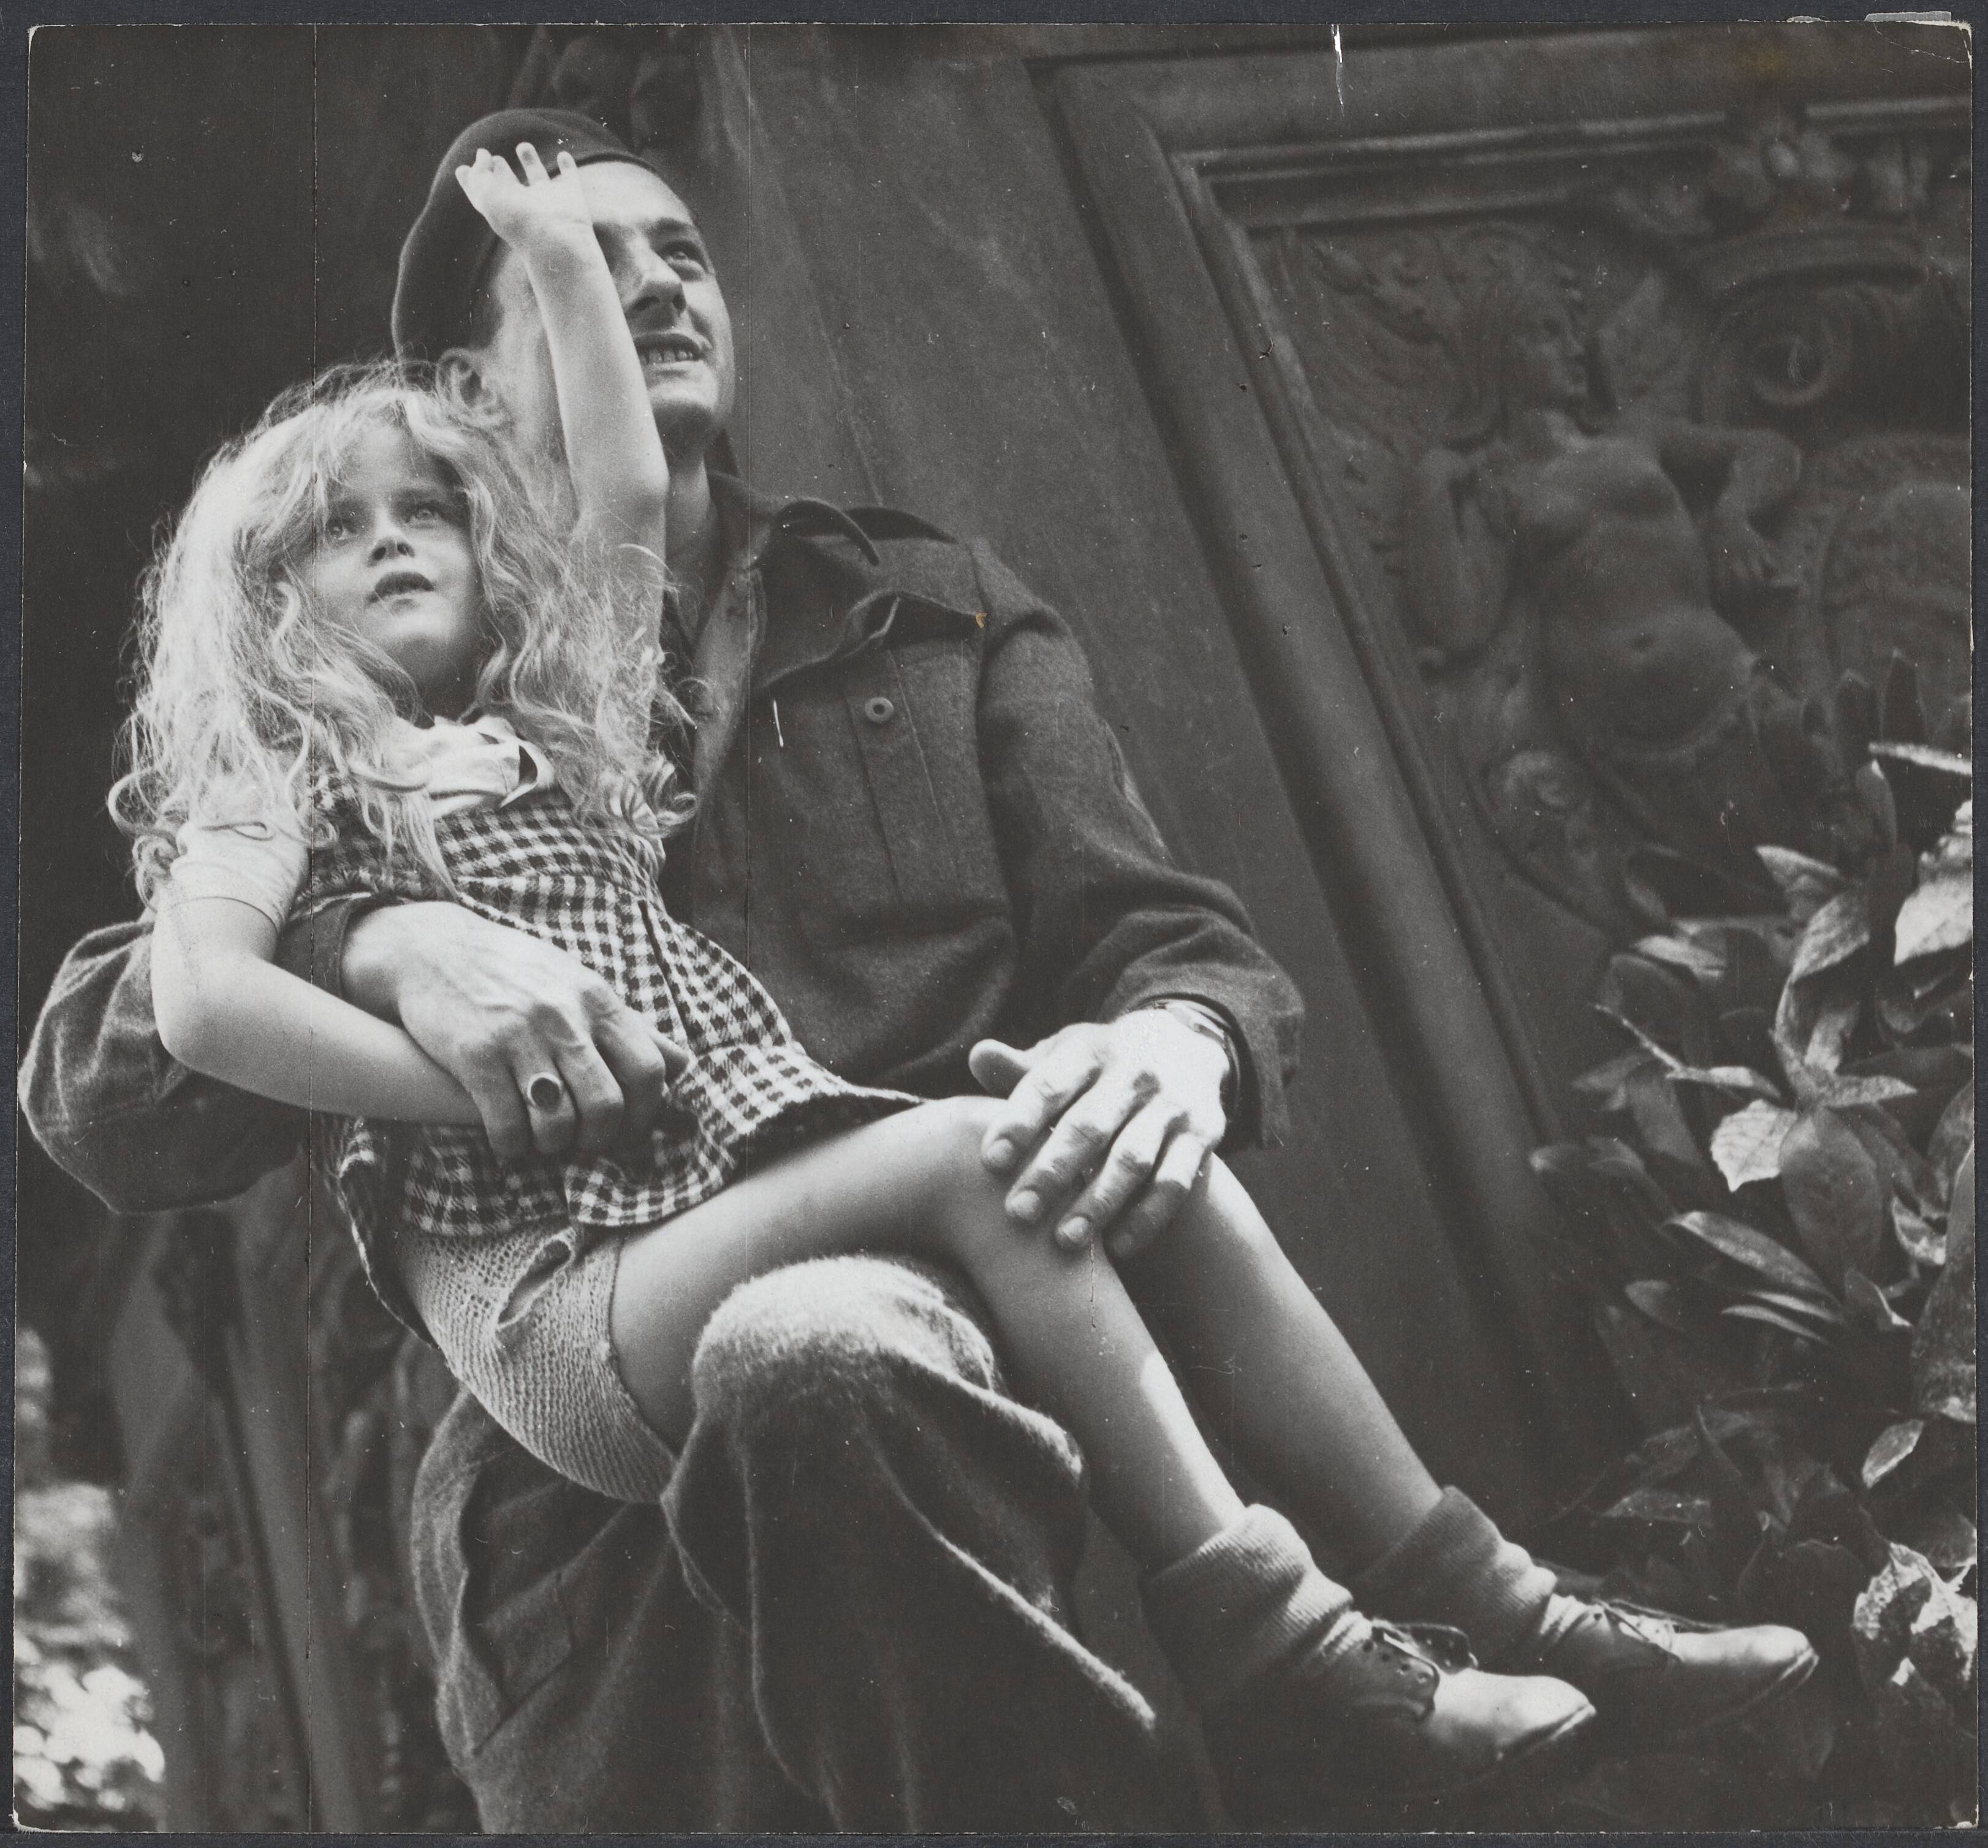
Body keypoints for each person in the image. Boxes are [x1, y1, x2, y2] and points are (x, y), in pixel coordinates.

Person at [23, 112, 1815, 1831]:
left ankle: (1486, 1602)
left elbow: (1163, 931)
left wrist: (1171, 1045)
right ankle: (1279, 1648)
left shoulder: (685, 677)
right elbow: (117, 1054)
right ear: (471, 401)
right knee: (825, 1337)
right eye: (586, 267)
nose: (651, 285)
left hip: (977, 1353)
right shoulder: (292, 774)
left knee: (1009, 1195)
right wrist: (387, 946)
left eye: (679, 250)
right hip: (613, 1464)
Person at [1403, 260, 1852, 871]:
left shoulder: (1635, 437)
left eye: (1572, 333)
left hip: (1725, 684)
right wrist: (1430, 493)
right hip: (1623, 740)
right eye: (1546, 333)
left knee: (1832, 823)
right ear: (1499, 355)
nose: (1573, 350)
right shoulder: (1499, 482)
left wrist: (1731, 516)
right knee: (1749, 885)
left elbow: (1769, 451)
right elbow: (1462, 626)